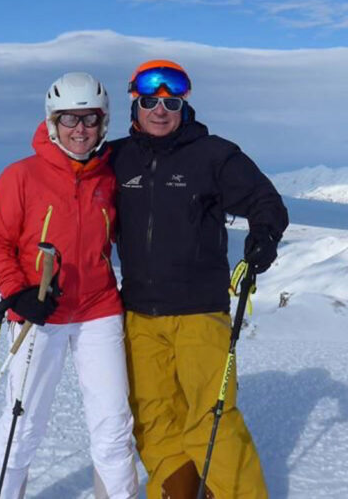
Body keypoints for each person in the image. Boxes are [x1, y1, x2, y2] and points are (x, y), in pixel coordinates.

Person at [109, 60, 288, 499]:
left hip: (199, 312)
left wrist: (263, 238)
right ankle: (179, 490)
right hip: (138, 314)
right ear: (135, 103)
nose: (160, 110)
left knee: (213, 416)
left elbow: (266, 201)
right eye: (150, 101)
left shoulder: (214, 155)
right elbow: (67, 188)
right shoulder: (115, 157)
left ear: (184, 105)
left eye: (171, 102)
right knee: (152, 416)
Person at [0, 72, 139, 499]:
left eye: (89, 119)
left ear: (103, 123)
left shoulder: (109, 177)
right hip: (39, 312)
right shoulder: (21, 176)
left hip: (98, 310)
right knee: (22, 424)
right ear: (52, 122)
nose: (80, 129)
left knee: (113, 425)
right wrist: (18, 293)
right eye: (70, 119)